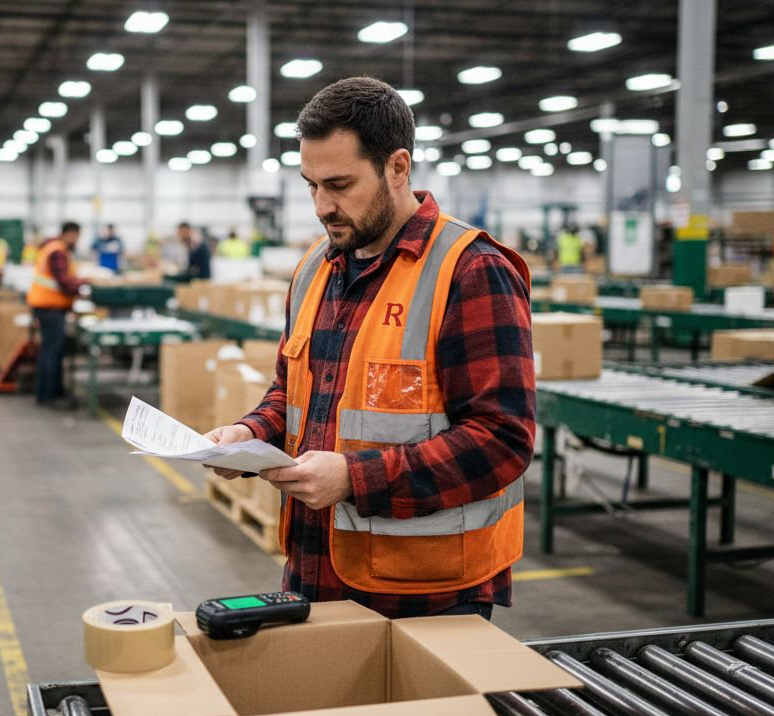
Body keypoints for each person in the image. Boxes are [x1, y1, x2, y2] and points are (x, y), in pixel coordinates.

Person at [205, 76, 534, 621]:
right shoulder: (315, 265)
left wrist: (353, 479)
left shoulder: (471, 271)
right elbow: (291, 392)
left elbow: (502, 440)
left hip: (427, 592)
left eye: (339, 184)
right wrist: (248, 434)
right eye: (311, 185)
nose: (321, 206)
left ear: (398, 168)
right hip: (315, 566)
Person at [26, 222, 85, 406]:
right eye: (76, 236)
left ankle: (53, 392)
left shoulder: (54, 248)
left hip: (49, 306)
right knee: (51, 351)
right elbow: (63, 281)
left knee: (54, 351)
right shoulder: (57, 251)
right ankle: (47, 396)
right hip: (49, 307)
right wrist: (84, 284)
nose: (77, 241)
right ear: (68, 234)